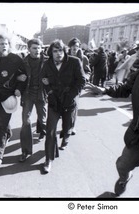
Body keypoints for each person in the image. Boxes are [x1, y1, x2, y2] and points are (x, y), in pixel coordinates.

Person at [85, 32, 139, 196]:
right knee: (122, 165)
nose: (137, 54)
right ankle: (125, 178)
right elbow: (125, 88)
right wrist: (105, 89)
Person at [0, 27, 27, 168]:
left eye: (6, 43)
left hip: (8, 97)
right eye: (1, 43)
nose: (4, 46)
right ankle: (8, 134)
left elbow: (24, 77)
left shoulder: (16, 59)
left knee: (1, 125)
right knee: (1, 121)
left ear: (10, 44)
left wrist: (19, 89)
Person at [41, 39, 86, 173]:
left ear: (64, 50)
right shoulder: (47, 64)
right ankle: (48, 159)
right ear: (51, 53)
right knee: (50, 130)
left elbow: (81, 81)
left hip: (69, 101)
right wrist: (49, 91)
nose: (58, 54)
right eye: (55, 51)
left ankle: (66, 136)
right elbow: (43, 80)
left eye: (60, 50)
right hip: (54, 101)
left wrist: (71, 95)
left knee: (67, 128)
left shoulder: (74, 61)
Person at [19, 38, 47, 162]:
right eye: (34, 48)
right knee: (26, 121)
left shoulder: (47, 61)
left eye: (39, 48)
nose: (37, 50)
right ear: (29, 49)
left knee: (44, 121)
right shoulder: (23, 62)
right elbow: (15, 75)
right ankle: (25, 151)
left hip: (42, 94)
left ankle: (50, 150)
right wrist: (19, 78)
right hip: (28, 94)